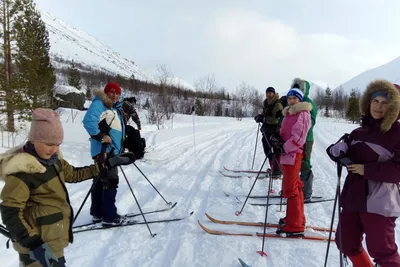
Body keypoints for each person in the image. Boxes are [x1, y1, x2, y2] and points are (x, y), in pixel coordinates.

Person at [0, 108, 134, 267]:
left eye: (57, 144)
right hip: (36, 246)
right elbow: (10, 211)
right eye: (49, 144)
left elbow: (74, 174)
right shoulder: (23, 171)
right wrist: (32, 242)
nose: (54, 149)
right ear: (34, 140)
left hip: (53, 239)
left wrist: (104, 166)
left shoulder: (54, 161)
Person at [326, 79, 400, 267]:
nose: (379, 107)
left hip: (379, 200)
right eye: (375, 101)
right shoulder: (359, 132)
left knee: (383, 253)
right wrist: (338, 150)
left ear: (394, 107)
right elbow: (344, 152)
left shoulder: (397, 133)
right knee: (346, 242)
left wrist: (366, 169)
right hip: (354, 196)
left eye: (385, 103)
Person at [83, 82, 126, 226]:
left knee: (100, 181)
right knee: (110, 181)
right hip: (105, 152)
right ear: (106, 93)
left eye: (117, 93)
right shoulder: (100, 104)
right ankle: (109, 217)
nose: (115, 95)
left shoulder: (111, 107)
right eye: (112, 92)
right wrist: (101, 137)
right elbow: (88, 121)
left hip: (107, 151)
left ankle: (98, 213)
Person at [272, 87, 311, 236]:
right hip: (288, 155)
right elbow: (286, 133)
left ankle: (294, 226)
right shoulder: (290, 113)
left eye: (295, 98)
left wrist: (283, 147)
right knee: (296, 187)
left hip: (293, 155)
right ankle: (296, 218)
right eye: (289, 98)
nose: (292, 100)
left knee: (290, 189)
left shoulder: (303, 114)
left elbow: (298, 138)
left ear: (300, 99)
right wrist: (278, 139)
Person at [290, 78, 317, 202]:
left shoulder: (308, 103)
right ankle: (294, 189)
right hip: (293, 139)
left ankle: (306, 192)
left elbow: (310, 122)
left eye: (299, 88)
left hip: (306, 139)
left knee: (305, 164)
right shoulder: (294, 101)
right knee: (294, 164)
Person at [254, 87, 284, 179]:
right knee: (268, 151)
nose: (268, 94)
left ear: (274, 94)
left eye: (270, 93)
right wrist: (260, 116)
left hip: (275, 131)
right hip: (267, 131)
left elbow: (276, 119)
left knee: (275, 151)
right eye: (267, 93)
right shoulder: (267, 103)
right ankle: (274, 169)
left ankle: (277, 171)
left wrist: (263, 119)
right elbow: (266, 115)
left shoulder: (277, 104)